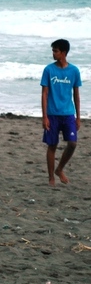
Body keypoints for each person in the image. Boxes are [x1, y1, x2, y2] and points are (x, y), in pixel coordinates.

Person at [41, 39, 82, 186]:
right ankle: (51, 177)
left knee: (72, 143)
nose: (53, 53)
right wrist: (44, 116)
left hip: (68, 114)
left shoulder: (74, 71)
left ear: (63, 53)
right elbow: (44, 94)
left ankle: (60, 169)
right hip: (52, 114)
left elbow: (76, 95)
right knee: (52, 145)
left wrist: (78, 117)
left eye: (55, 51)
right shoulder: (49, 70)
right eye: (53, 50)